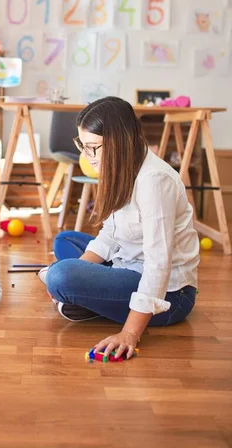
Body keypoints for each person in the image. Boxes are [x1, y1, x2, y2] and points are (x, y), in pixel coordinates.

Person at [42, 97, 199, 360]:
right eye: (82, 145)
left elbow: (159, 263)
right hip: (126, 263)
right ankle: (86, 297)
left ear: (118, 141)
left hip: (170, 295)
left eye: (92, 147)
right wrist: (83, 271)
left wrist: (129, 333)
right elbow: (110, 233)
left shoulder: (154, 182)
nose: (86, 156)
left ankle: (86, 299)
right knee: (65, 241)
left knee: (59, 277)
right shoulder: (120, 164)